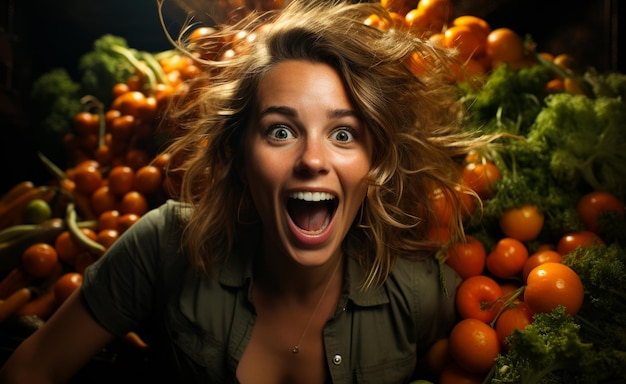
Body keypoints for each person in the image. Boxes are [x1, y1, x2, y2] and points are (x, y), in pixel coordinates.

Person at [0, 0, 488, 382]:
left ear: (374, 161)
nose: (313, 160)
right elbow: (31, 369)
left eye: (343, 134)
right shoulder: (165, 244)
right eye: (281, 131)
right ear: (237, 153)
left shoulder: (421, 291)